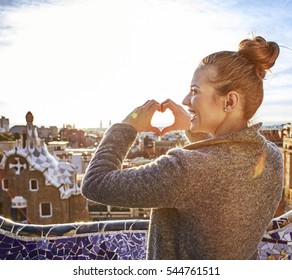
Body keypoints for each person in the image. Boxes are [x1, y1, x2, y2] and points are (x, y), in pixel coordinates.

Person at [81, 36, 283, 259]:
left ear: (230, 101)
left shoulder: (185, 169)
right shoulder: (272, 157)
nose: (185, 100)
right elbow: (217, 184)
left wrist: (126, 126)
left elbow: (95, 183)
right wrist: (194, 128)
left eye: (195, 91)